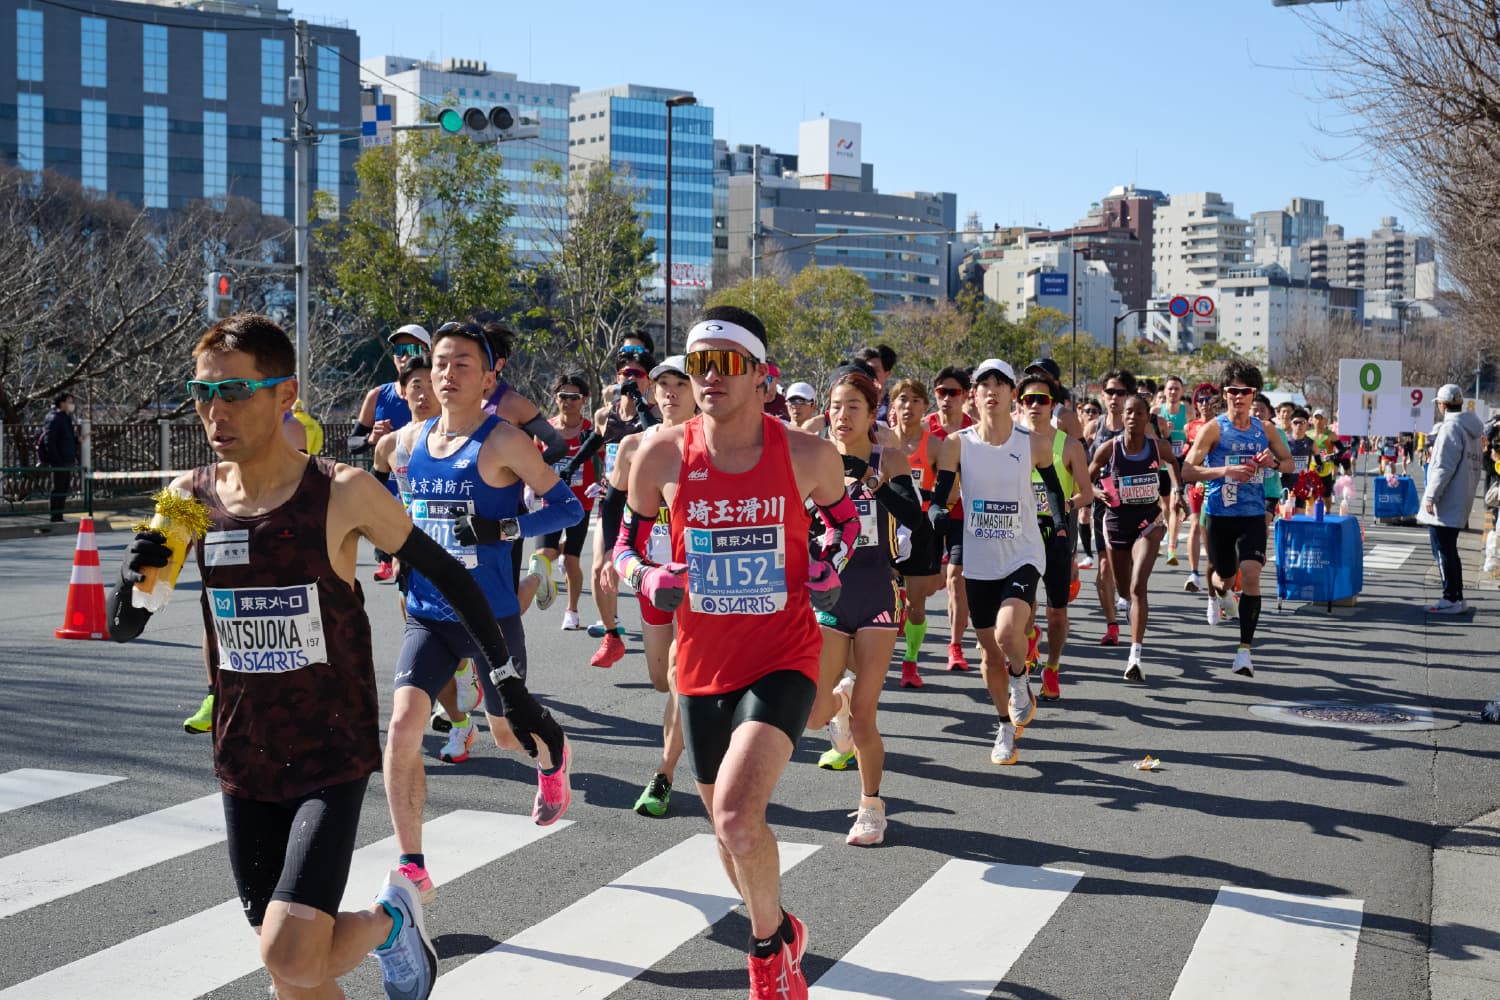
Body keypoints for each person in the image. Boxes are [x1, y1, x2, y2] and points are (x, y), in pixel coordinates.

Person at [107, 314, 565, 1000]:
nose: (214, 410)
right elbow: (128, 622)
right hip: (244, 751)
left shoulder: (342, 490)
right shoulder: (190, 499)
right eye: (202, 392)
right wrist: (128, 581)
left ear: (285, 394)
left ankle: (390, 921)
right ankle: (389, 928)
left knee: (289, 950)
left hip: (329, 748)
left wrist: (510, 686)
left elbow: (451, 575)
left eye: (234, 391)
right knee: (294, 972)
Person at [614, 305, 854, 997]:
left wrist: (828, 566)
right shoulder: (660, 454)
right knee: (730, 836)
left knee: (735, 817)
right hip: (701, 665)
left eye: (725, 364)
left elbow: (845, 528)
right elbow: (624, 547)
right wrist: (646, 578)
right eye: (698, 364)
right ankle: (781, 929)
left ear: (761, 375)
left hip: (784, 655)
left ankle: (766, 956)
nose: (709, 377)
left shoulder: (808, 454)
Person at [384, 322, 583, 904]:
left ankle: (553, 753)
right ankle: (412, 862)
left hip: (491, 617)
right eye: (440, 362)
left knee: (506, 734)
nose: (447, 373)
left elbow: (568, 508)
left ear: (489, 378)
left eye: (462, 364)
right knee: (402, 728)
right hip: (428, 615)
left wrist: (504, 528)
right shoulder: (408, 442)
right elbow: (399, 507)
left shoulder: (504, 441)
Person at [807, 368, 929, 845]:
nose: (842, 415)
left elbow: (914, 517)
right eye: (836, 406)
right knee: (815, 714)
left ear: (872, 413)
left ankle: (871, 807)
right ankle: (835, 704)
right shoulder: (815, 458)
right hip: (830, 594)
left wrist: (871, 480)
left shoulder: (889, 457)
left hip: (878, 591)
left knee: (865, 716)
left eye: (853, 407)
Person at [929, 359, 1069, 766]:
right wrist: (937, 513)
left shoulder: (1033, 443)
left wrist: (1060, 523)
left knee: (1009, 633)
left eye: (1000, 384)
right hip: (979, 559)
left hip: (1023, 552)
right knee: (990, 655)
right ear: (973, 395)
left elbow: (1055, 489)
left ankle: (1020, 678)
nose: (992, 391)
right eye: (984, 385)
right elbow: (940, 495)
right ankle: (1005, 727)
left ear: (1013, 395)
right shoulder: (957, 444)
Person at [594, 354, 697, 817]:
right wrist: (607, 556)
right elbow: (613, 504)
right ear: (652, 393)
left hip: (698, 578)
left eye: (680, 383)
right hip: (649, 574)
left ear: (696, 391)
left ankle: (664, 773)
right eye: (663, 385)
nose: (670, 392)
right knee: (661, 679)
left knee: (678, 675)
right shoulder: (635, 445)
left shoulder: (711, 444)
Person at [1182, 360, 1294, 677]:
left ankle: (1244, 652)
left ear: (1253, 394)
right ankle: (1222, 595)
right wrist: (1225, 471)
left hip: (1253, 515)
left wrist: (1272, 463)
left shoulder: (1265, 429)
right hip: (1219, 515)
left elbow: (1290, 464)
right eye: (1233, 390)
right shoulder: (1214, 429)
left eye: (1245, 391)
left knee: (1252, 574)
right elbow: (1187, 470)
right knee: (1224, 578)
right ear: (1225, 393)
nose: (1239, 396)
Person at [580, 340, 661, 667]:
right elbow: (593, 443)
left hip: (648, 507)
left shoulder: (656, 414)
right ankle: (612, 636)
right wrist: (569, 466)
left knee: (651, 572)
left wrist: (640, 402)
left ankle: (665, 629)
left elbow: (655, 438)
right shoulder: (604, 414)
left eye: (637, 374)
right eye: (625, 373)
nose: (630, 378)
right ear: (616, 377)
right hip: (612, 502)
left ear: (648, 380)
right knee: (599, 566)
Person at [1088, 394, 1176, 681]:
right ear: (1122, 416)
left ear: (1147, 417)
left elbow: (1174, 463)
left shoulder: (1157, 447)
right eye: (1129, 412)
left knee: (1139, 586)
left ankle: (1134, 657)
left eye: (1139, 413)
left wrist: (1177, 490)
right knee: (1124, 589)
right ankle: (1126, 602)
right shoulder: (1109, 448)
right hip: (1116, 525)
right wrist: (1098, 492)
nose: (1133, 417)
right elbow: (1086, 478)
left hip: (1148, 522)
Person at [1016, 371, 1093, 700]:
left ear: (1053, 404)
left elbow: (1087, 493)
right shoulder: (1010, 442)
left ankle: (1052, 667)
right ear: (1020, 404)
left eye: (1042, 399)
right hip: (1019, 534)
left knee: (1057, 612)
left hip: (1056, 534)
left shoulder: (1068, 445)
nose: (1035, 405)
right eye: (1028, 399)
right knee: (1021, 605)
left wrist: (1066, 504)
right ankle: (1028, 641)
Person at [351, 323, 430, 583]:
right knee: (405, 579)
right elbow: (352, 442)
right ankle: (387, 558)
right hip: (390, 490)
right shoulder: (378, 395)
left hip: (428, 491)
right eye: (398, 350)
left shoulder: (440, 395)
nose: (404, 356)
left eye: (412, 349)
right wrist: (370, 438)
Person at [887, 378, 944, 688]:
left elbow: (950, 492)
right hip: (886, 525)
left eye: (915, 400)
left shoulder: (934, 445)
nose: (908, 406)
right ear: (892, 405)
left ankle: (910, 660)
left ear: (925, 407)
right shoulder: (879, 441)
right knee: (880, 598)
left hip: (920, 528)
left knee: (915, 606)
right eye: (902, 399)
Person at [532, 372, 597, 633]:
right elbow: (532, 463)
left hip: (581, 505)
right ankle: (545, 586)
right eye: (563, 396)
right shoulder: (545, 431)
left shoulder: (592, 430)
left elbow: (610, 460)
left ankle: (572, 611)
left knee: (572, 560)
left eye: (574, 396)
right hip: (552, 503)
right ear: (555, 398)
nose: (568, 401)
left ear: (584, 400)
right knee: (540, 557)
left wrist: (604, 484)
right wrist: (528, 487)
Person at [1420, 383, 1485, 614]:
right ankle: (1457, 596)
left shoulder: (1450, 428)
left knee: (1442, 548)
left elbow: (1442, 467)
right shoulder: (1472, 429)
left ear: (1442, 405)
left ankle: (1450, 597)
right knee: (1449, 548)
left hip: (1447, 498)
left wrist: (1431, 495)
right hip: (1462, 494)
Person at [928, 365, 975, 671]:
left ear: (965, 395)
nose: (946, 398)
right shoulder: (925, 429)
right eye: (941, 392)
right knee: (927, 584)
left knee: (956, 578)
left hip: (964, 516)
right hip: (928, 516)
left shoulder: (975, 431)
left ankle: (955, 646)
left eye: (953, 393)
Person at [1084, 370, 1135, 646]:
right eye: (1110, 392)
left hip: (1135, 506)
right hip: (1104, 505)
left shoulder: (1140, 427)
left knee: (1127, 564)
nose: (1114, 397)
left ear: (1128, 396)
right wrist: (1093, 493)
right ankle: (1112, 625)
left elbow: (1156, 465)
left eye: (1120, 392)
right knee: (1104, 565)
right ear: (1102, 395)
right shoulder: (1093, 427)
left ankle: (1128, 597)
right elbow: (1081, 472)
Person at [1158, 376, 1191, 564]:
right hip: (1162, 465)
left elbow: (1194, 436)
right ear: (1164, 391)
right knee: (1164, 506)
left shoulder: (1188, 412)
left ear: (1181, 391)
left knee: (1174, 505)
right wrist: (1163, 431)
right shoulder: (1157, 412)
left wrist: (1186, 432)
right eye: (1170, 388)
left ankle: (1171, 548)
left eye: (1176, 388)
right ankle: (1169, 529)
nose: (1173, 392)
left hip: (1179, 464)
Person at [39, 392, 79, 524]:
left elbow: (67, 437)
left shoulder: (65, 417)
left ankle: (59, 515)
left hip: (67, 458)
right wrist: (56, 459)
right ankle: (55, 516)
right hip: (59, 460)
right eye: (69, 402)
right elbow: (49, 441)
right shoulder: (54, 418)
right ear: (62, 403)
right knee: (58, 487)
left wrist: (76, 440)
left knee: (64, 488)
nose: (72, 405)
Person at [856, 343, 898, 422]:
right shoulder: (851, 402)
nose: (870, 374)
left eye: (875, 370)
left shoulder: (893, 407)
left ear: (886, 374)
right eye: (866, 369)